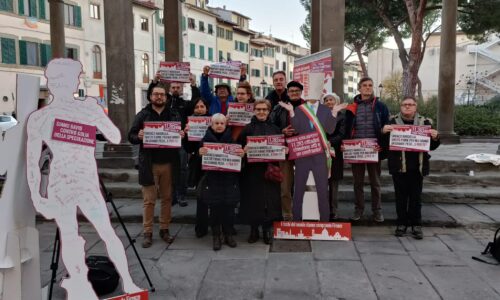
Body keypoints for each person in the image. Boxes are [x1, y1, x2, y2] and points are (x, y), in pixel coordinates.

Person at [26, 58, 141, 298]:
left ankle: (128, 282)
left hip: (87, 180)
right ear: (54, 83)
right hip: (61, 183)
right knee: (68, 234)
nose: (68, 84)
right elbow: (32, 162)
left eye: (71, 80)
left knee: (107, 232)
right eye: (61, 80)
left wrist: (97, 114)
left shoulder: (86, 108)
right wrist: (37, 196)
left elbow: (115, 137)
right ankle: (80, 284)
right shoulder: (41, 117)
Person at [128, 84, 185, 248]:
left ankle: (164, 229)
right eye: (156, 94)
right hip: (149, 164)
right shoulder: (143, 115)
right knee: (149, 200)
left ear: (166, 98)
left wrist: (182, 134)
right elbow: (130, 136)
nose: (159, 97)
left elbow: (181, 135)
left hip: (169, 163)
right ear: (150, 96)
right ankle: (147, 232)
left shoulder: (174, 114)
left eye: (162, 95)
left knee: (167, 198)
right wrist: (138, 136)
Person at [382, 96, 440, 239]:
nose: (407, 107)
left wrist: (436, 137)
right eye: (404, 104)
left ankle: (416, 225)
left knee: (416, 198)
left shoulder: (425, 122)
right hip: (399, 166)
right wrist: (383, 132)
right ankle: (401, 224)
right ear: (400, 107)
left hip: (417, 167)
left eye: (410, 104)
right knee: (400, 197)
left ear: (416, 107)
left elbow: (431, 146)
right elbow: (384, 145)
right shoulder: (392, 121)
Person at [279, 90, 336, 222]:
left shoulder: (325, 109)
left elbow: (330, 129)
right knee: (298, 189)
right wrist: (291, 112)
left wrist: (334, 113)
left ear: (320, 93)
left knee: (322, 190)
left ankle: (324, 221)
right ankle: (296, 220)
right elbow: (296, 129)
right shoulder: (299, 109)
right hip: (302, 155)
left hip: (320, 155)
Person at [148, 74, 200, 207]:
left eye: (178, 87)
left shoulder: (185, 104)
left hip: (181, 142)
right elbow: (151, 96)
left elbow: (196, 100)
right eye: (173, 87)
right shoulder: (165, 101)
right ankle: (171, 196)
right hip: (166, 141)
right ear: (169, 89)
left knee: (183, 169)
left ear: (182, 89)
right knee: (168, 169)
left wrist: (193, 84)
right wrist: (154, 82)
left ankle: (182, 195)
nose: (176, 89)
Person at [344, 77, 390, 222]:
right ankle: (359, 210)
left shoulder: (381, 106)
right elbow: (346, 128)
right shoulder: (351, 107)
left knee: (375, 183)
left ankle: (377, 210)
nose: (368, 88)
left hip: (373, 149)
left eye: (370, 85)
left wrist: (381, 146)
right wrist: (346, 144)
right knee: (357, 183)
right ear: (359, 88)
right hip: (356, 150)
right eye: (365, 85)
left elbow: (385, 128)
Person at [198, 114, 245, 250]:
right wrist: (199, 154)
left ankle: (228, 234)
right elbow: (198, 165)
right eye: (216, 123)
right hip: (212, 181)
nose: (219, 125)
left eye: (221, 123)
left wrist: (241, 156)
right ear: (211, 125)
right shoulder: (204, 142)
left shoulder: (233, 141)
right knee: (214, 211)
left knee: (229, 210)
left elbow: (240, 165)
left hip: (229, 181)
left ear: (226, 125)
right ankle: (216, 236)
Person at [239, 99, 282, 244]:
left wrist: (285, 150)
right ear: (254, 111)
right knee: (253, 201)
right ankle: (253, 230)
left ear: (269, 111)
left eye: (264, 109)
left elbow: (282, 150)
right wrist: (243, 151)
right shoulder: (247, 129)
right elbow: (238, 148)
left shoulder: (276, 129)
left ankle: (267, 230)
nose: (261, 112)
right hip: (252, 171)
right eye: (258, 109)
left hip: (270, 171)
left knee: (269, 201)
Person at [270, 81, 305, 220]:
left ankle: (303, 211)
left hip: (303, 149)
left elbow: (316, 126)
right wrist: (282, 131)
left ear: (301, 92)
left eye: (297, 91)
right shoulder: (279, 108)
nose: (294, 93)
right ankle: (287, 213)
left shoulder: (308, 107)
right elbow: (271, 126)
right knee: (285, 185)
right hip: (285, 149)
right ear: (287, 92)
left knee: (305, 183)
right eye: (291, 91)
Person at [184, 98, 211, 237]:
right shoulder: (190, 124)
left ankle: (218, 225)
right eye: (197, 107)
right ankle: (201, 227)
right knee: (201, 196)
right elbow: (188, 148)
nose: (200, 109)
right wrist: (186, 135)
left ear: (206, 108)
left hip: (213, 162)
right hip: (198, 164)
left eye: (202, 106)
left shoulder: (214, 121)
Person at [323, 93, 348, 220]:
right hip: (321, 152)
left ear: (336, 101)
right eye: (326, 100)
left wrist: (330, 142)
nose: (328, 102)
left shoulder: (342, 117)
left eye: (331, 99)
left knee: (333, 184)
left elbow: (342, 134)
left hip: (335, 153)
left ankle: (333, 210)